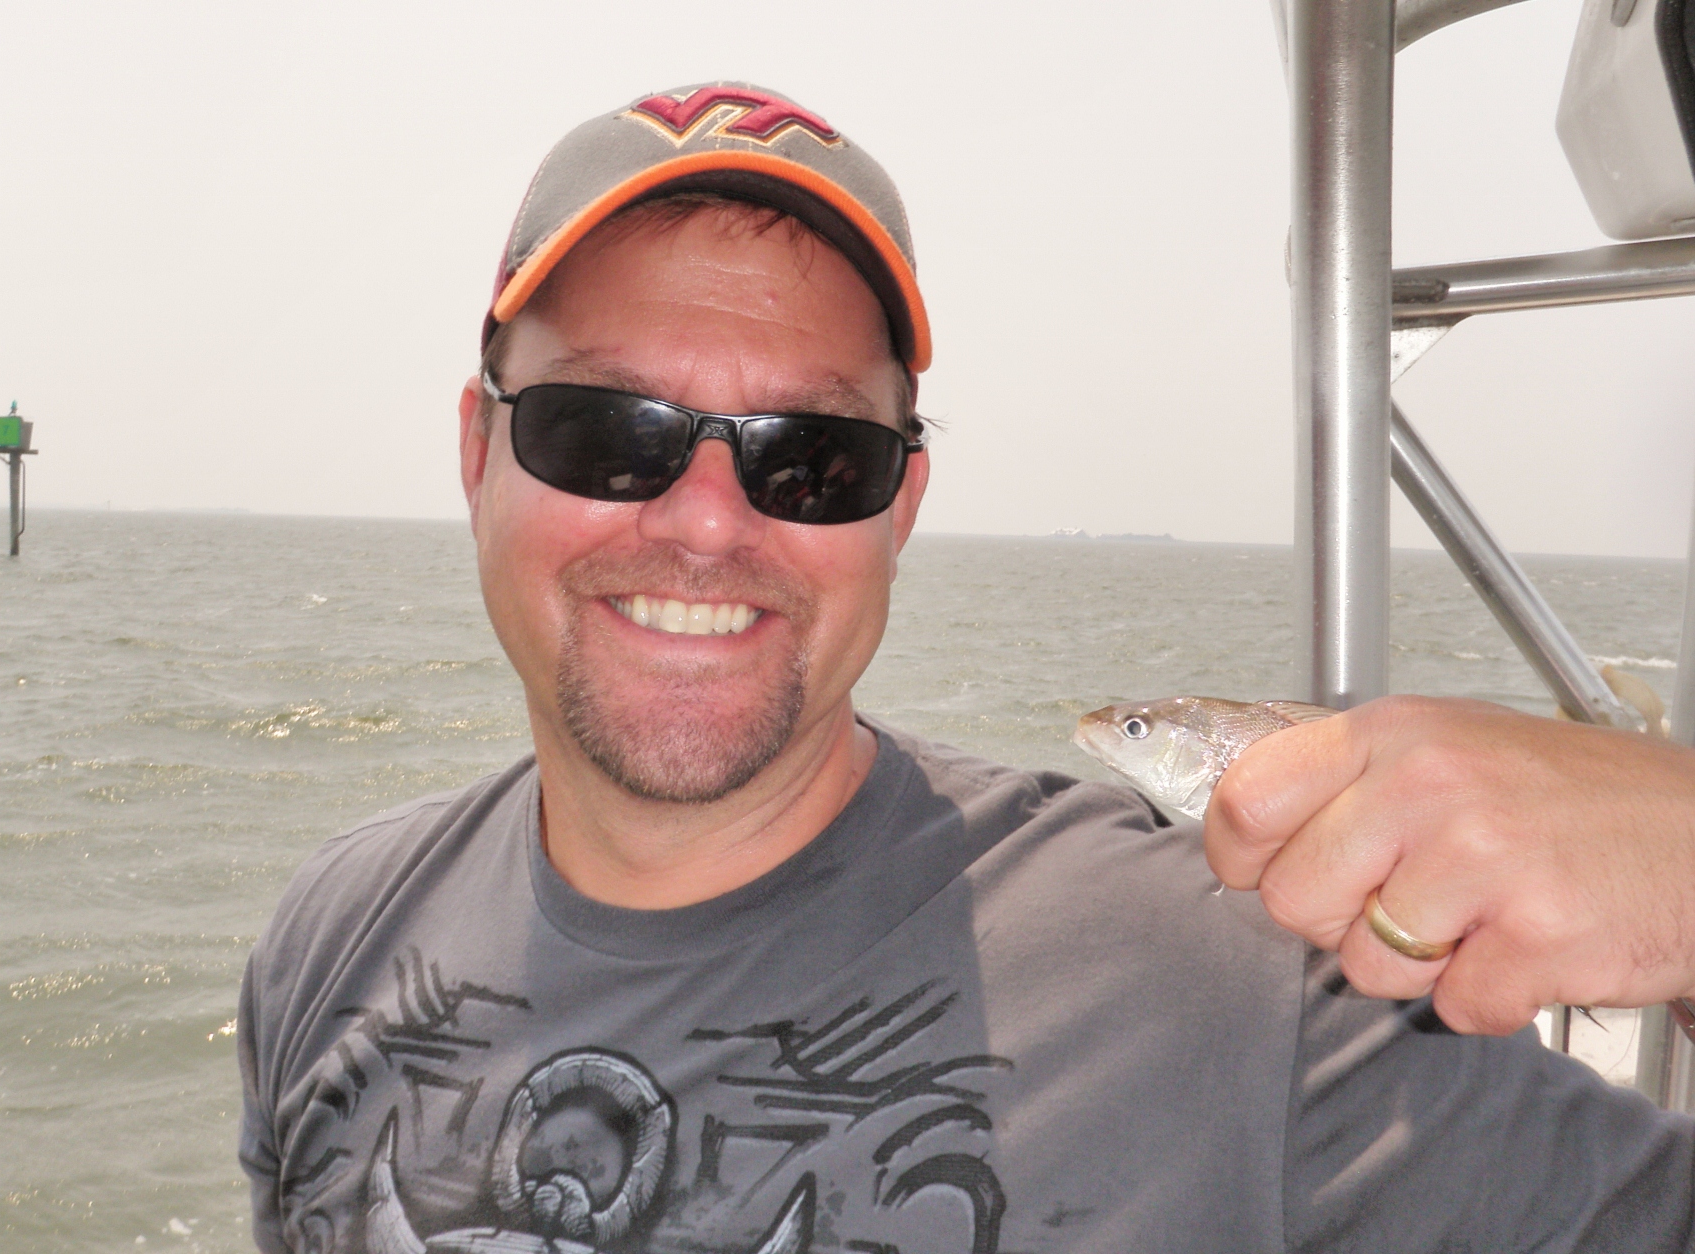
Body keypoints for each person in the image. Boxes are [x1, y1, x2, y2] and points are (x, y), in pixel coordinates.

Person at [238, 83, 1695, 1254]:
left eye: (812, 457)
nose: (700, 518)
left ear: (899, 510)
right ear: (477, 448)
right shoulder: (328, 942)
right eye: (603, 429)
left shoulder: (1234, 982)